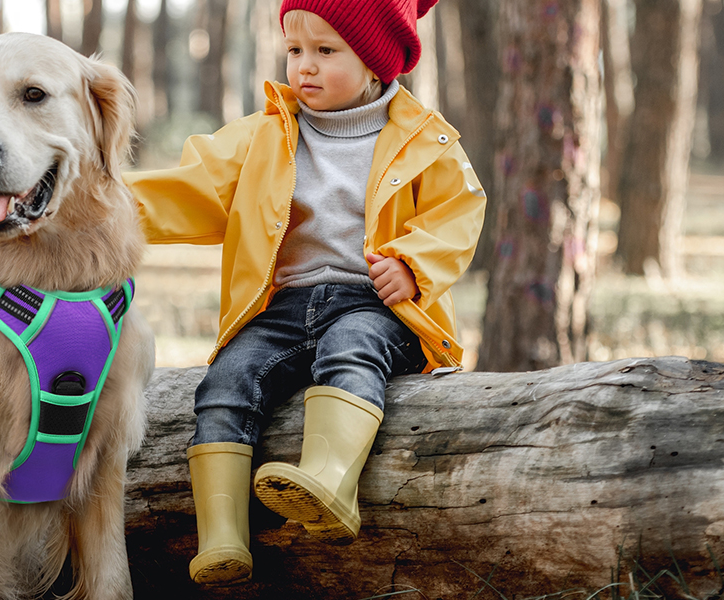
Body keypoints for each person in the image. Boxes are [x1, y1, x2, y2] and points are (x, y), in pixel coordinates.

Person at [123, 0, 486, 586]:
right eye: (295, 51)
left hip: (375, 302)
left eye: (325, 51)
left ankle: (330, 479)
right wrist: (101, 205)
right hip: (283, 308)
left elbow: (459, 213)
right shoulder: (267, 135)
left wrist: (414, 265)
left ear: (374, 62)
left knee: (351, 349)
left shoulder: (425, 140)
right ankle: (222, 536)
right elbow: (192, 187)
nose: (304, 68)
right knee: (225, 381)